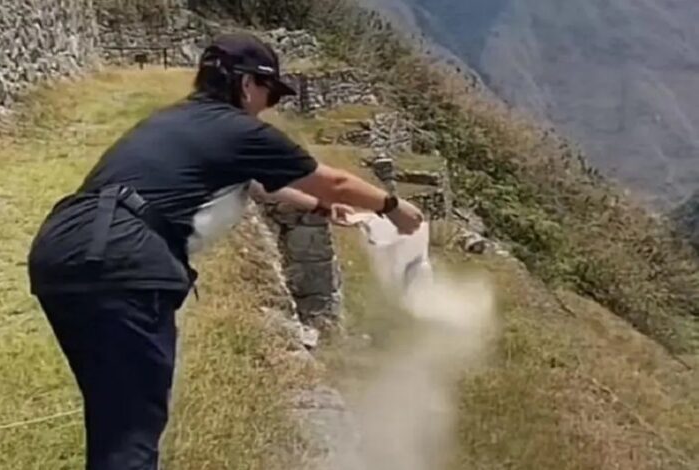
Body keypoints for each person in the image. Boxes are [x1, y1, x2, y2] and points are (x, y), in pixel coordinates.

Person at [27, 32, 424, 470]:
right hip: (124, 262)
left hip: (61, 249)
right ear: (247, 83)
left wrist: (322, 209)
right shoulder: (239, 129)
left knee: (116, 409)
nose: (268, 105)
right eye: (270, 93)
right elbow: (333, 179)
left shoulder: (177, 121)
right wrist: (393, 207)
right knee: (131, 431)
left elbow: (257, 184)